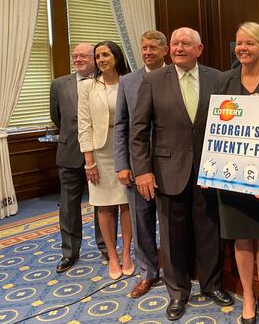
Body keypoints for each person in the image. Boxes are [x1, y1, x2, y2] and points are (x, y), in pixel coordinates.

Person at [130, 27, 233, 322]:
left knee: (209, 232)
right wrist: (143, 171)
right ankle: (178, 293)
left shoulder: (218, 78)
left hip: (209, 170)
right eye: (175, 43)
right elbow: (138, 131)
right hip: (166, 172)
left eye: (185, 43)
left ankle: (212, 285)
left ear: (199, 49)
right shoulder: (152, 81)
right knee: (173, 238)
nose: (178, 48)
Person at [217, 22, 259, 324]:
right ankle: (248, 296)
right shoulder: (223, 82)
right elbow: (215, 130)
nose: (243, 48)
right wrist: (212, 170)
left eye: (250, 43)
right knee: (242, 238)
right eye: (239, 43)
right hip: (232, 178)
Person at [114, 30, 167, 298]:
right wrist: (122, 164)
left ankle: (175, 270)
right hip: (136, 166)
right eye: (144, 47)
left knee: (171, 222)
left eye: (153, 48)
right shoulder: (129, 81)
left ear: (164, 51)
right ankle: (148, 273)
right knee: (141, 221)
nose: (147, 52)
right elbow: (121, 124)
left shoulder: (176, 77)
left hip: (171, 164)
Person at [50, 43, 109, 273]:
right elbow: (57, 117)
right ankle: (69, 253)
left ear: (94, 59)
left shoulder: (106, 81)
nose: (78, 59)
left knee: (102, 204)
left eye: (83, 55)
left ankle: (105, 247)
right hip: (69, 153)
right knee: (68, 206)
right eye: (74, 56)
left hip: (100, 152)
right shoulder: (58, 84)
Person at [78, 40, 133, 280]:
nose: (101, 59)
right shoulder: (88, 87)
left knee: (126, 203)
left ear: (117, 57)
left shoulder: (130, 82)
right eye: (98, 56)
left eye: (106, 55)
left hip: (127, 150)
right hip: (99, 152)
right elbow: (84, 124)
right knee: (104, 204)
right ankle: (112, 255)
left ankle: (128, 253)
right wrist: (88, 160)